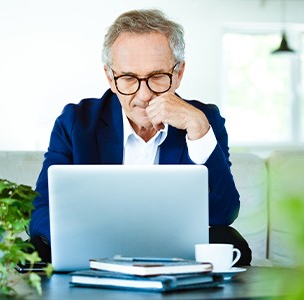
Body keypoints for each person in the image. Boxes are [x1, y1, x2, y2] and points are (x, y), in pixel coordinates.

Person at [29, 9, 251, 266]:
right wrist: (93, 238)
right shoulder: (75, 122)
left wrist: (199, 129)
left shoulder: (205, 119)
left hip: (177, 254)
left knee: (230, 240)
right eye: (129, 78)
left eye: (157, 77)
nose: (144, 95)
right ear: (110, 78)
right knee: (35, 247)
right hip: (94, 252)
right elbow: (40, 210)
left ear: (178, 74)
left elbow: (224, 212)